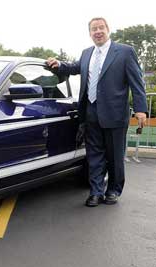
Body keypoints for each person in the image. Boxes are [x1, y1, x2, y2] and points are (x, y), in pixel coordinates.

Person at [47, 17, 148, 207]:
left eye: (101, 28)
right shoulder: (87, 53)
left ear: (108, 30)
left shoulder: (125, 52)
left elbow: (137, 82)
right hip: (91, 112)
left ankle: (113, 190)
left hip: (115, 114)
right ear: (90, 33)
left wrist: (141, 109)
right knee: (94, 155)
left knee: (115, 156)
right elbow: (74, 67)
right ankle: (96, 192)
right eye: (94, 29)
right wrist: (59, 64)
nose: (98, 31)